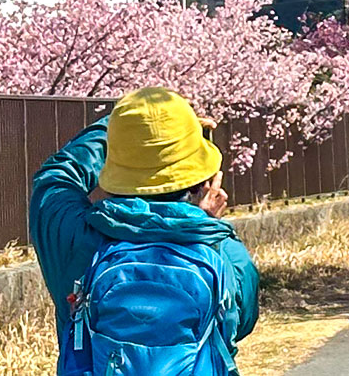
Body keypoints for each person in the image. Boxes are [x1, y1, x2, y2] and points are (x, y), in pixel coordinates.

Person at [31, 87, 260, 375]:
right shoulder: (220, 248)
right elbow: (242, 321)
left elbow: (56, 176)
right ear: (203, 178)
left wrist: (120, 129)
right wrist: (204, 227)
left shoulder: (74, 238)